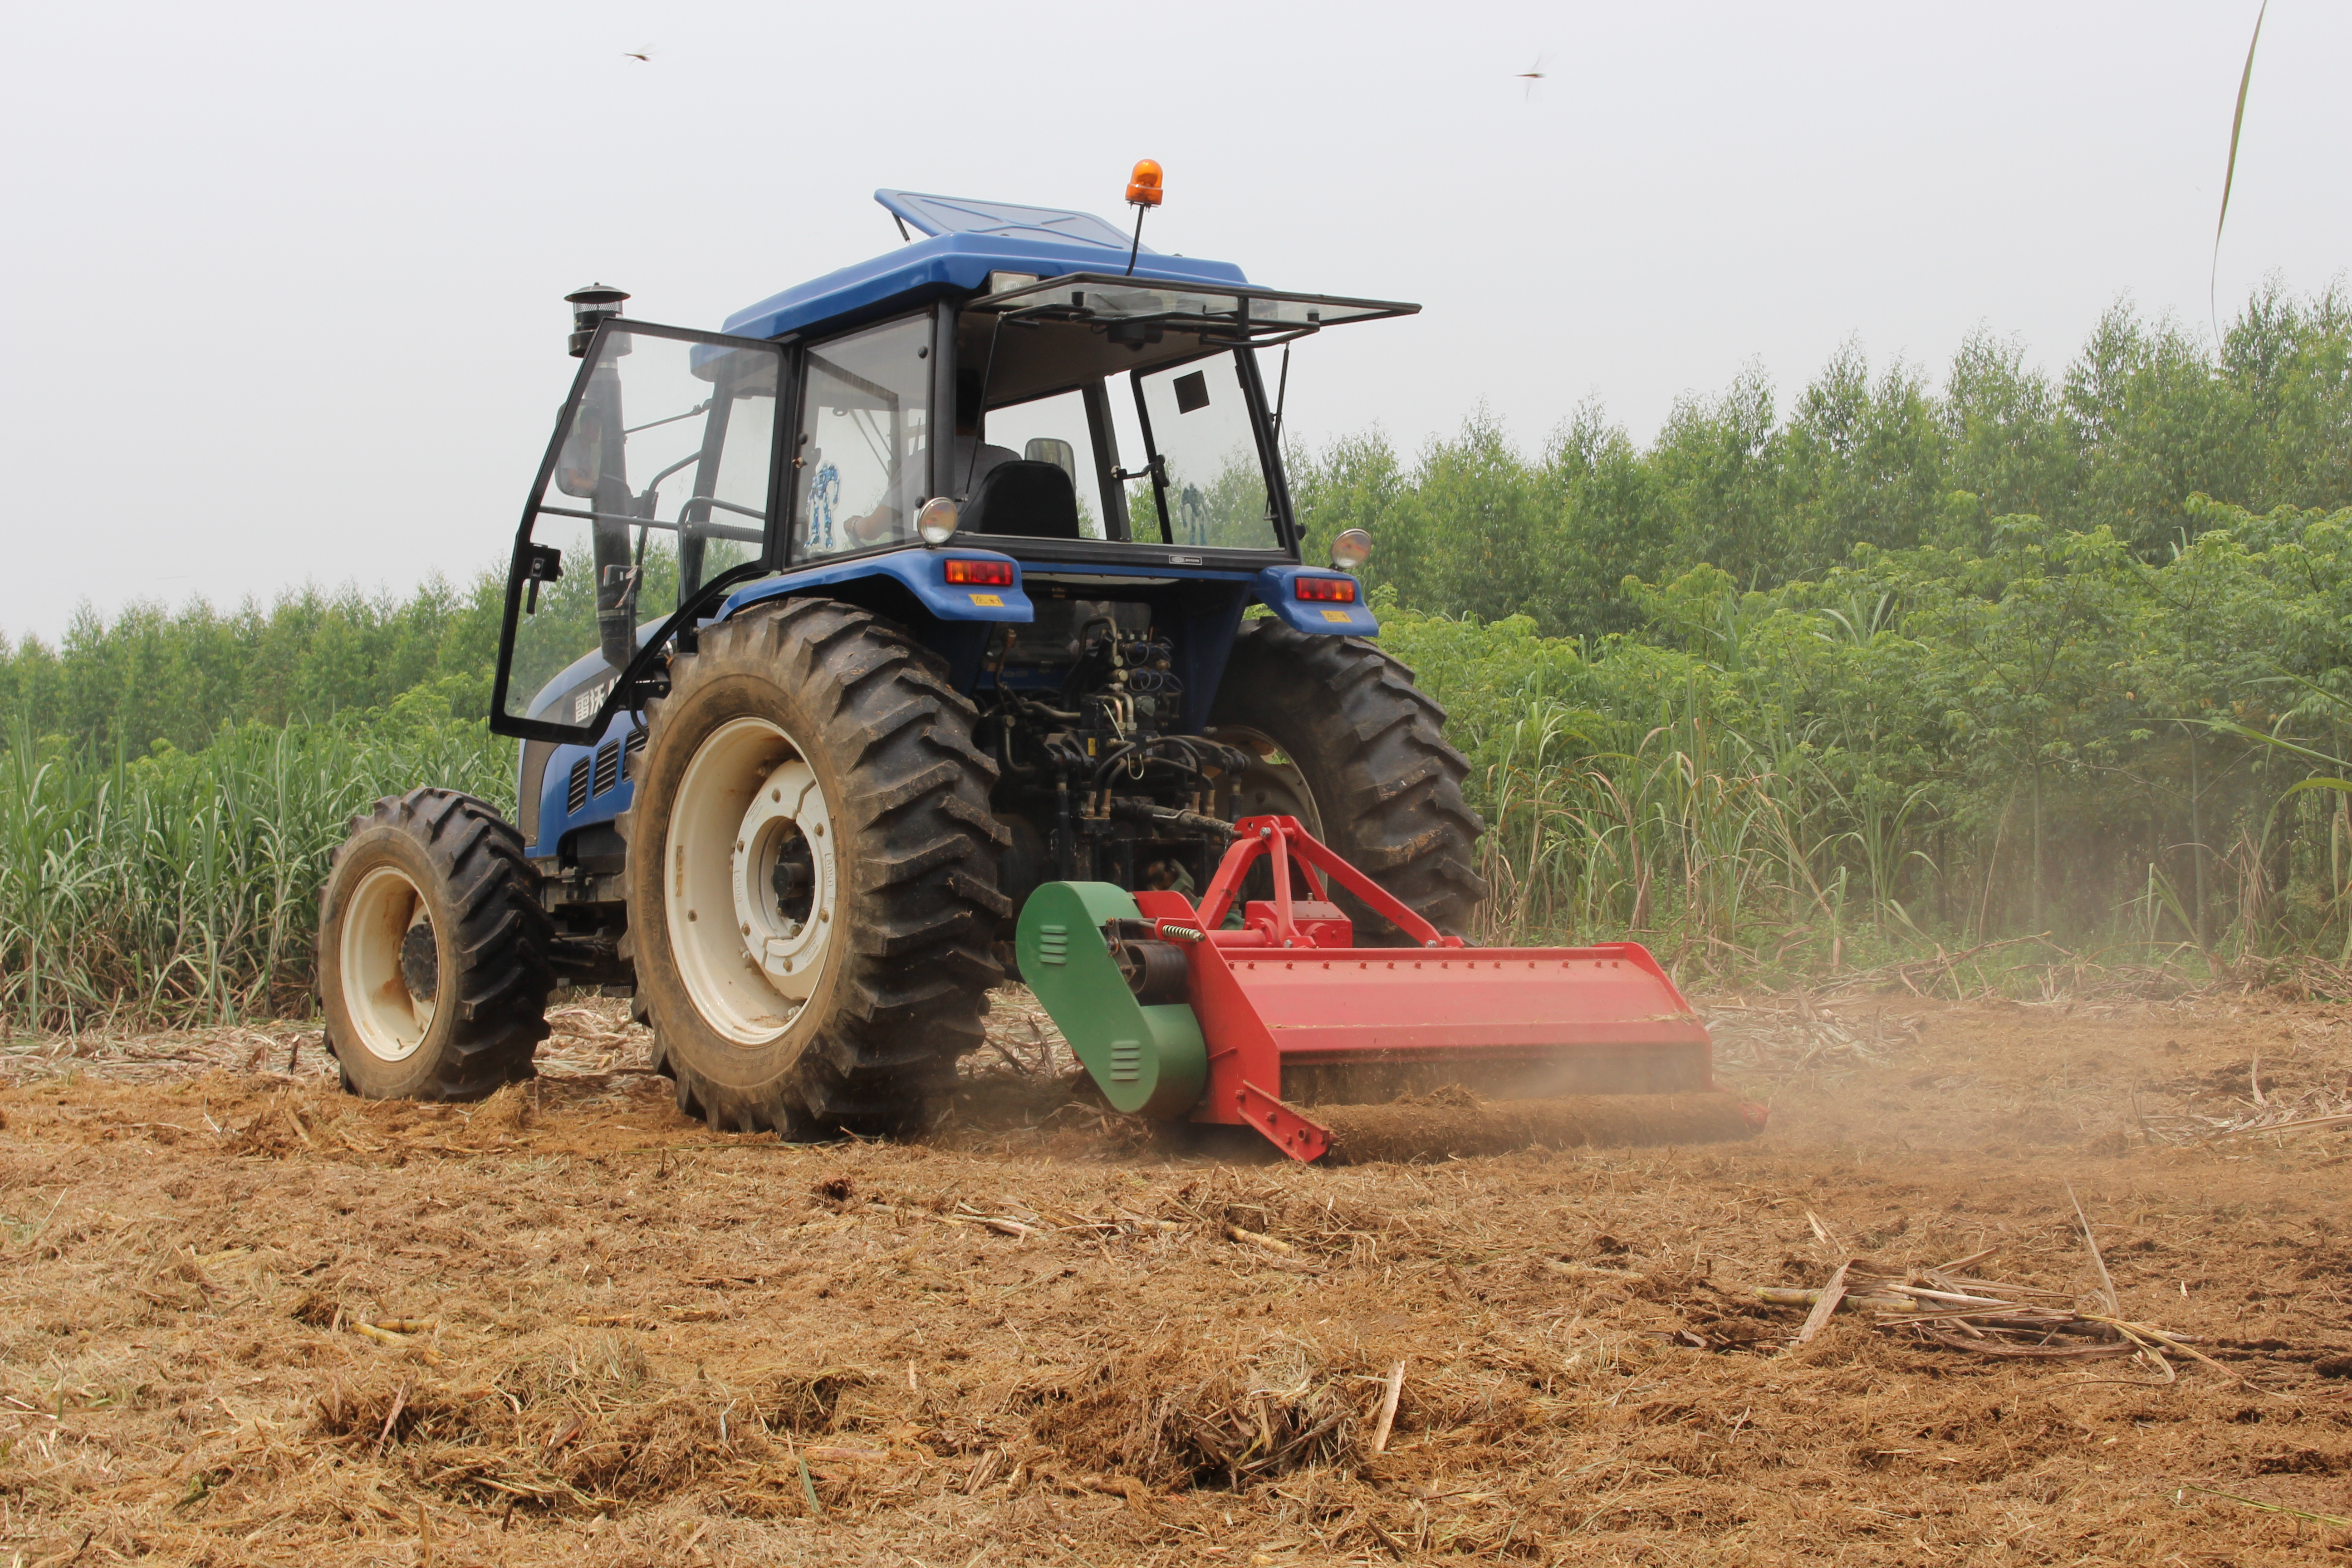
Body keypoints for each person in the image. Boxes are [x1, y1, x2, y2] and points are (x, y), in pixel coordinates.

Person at [844, 368, 1017, 544]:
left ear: (937, 416)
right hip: (1011, 554)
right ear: (981, 417)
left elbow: (873, 529)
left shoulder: (925, 462)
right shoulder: (1011, 461)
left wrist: (855, 525)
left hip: (954, 555)